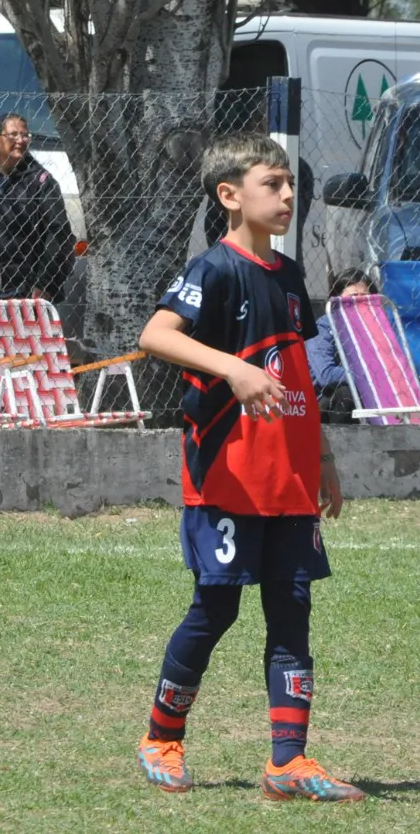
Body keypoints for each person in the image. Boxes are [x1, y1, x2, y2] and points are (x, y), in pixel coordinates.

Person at [135, 132, 364, 803]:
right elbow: (157, 335)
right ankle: (161, 737)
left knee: (292, 612)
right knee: (217, 610)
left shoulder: (290, 276)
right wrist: (232, 367)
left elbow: (297, 374)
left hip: (289, 479)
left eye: (290, 182)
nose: (288, 194)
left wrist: (323, 458)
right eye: (273, 183)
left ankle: (287, 763)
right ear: (229, 195)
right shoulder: (214, 270)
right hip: (227, 477)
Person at [0, 113, 75, 304]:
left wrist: (45, 284)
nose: (20, 140)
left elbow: (59, 234)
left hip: (26, 292)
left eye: (25, 135)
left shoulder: (41, 183)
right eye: (13, 135)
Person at [305, 269, 375, 422]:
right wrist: (370, 375)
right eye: (353, 297)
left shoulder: (377, 327)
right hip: (326, 398)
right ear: (336, 300)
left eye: (365, 298)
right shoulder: (323, 327)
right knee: (346, 394)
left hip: (367, 390)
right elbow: (326, 375)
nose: (359, 303)